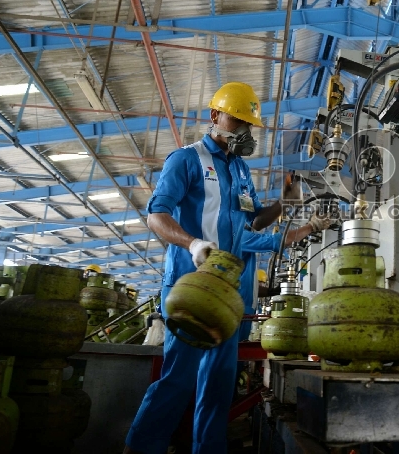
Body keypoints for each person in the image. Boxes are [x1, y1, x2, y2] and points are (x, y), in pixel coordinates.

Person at [124, 81, 295, 454]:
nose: (245, 132)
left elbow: (252, 225)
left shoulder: (242, 172)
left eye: (249, 125)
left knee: (219, 381)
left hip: (226, 293)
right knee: (179, 379)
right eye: (238, 122)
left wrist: (282, 203)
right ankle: (141, 447)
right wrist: (192, 242)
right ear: (215, 116)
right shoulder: (185, 159)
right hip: (189, 285)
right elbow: (156, 215)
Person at [238, 213, 332, 341]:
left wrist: (273, 291)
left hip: (244, 313)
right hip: (238, 313)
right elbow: (279, 241)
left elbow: (247, 286)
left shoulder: (243, 243)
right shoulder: (238, 236)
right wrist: (311, 226)